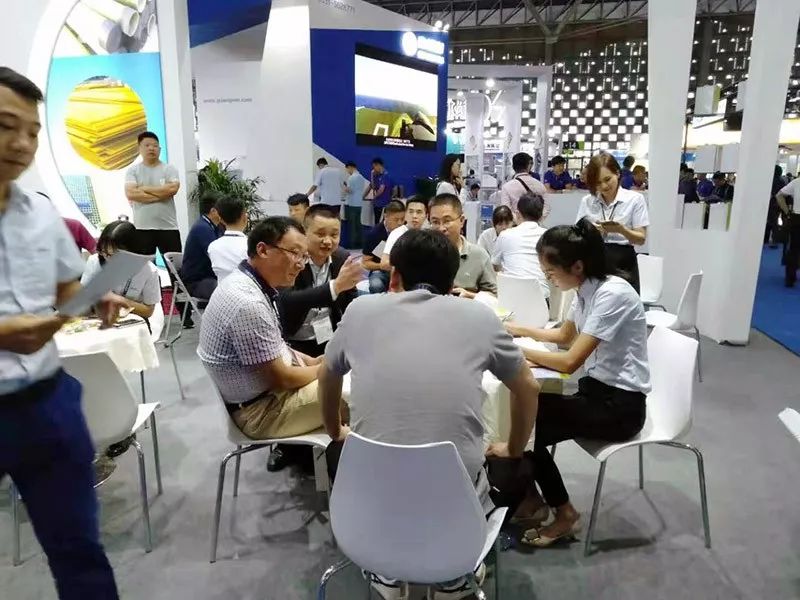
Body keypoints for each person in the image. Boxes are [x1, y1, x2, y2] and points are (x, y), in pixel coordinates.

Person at [318, 228, 539, 600]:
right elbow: (528, 387)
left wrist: (335, 429)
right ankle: (452, 575)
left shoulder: (359, 311)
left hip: (370, 504)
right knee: (515, 464)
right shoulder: (479, 317)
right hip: (453, 504)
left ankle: (387, 568)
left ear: (394, 276)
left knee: (339, 450)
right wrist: (513, 448)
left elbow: (327, 376)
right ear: (452, 282)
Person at [0, 66, 121, 599]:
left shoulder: (40, 214)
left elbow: (65, 285)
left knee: (79, 549)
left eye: (32, 131)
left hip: (48, 402)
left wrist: (94, 296)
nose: (21, 144)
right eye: (6, 126)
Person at [505, 219, 650, 548]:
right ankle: (533, 499)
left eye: (550, 272)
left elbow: (570, 361)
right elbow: (564, 335)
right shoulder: (586, 289)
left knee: (529, 424)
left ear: (577, 266)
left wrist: (514, 351)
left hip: (620, 408)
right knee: (524, 417)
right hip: (595, 393)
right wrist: (518, 330)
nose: (549, 279)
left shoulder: (612, 294)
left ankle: (561, 511)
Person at [198, 217, 337, 440]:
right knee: (357, 393)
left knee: (347, 380)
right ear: (262, 250)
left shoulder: (248, 282)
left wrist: (312, 362)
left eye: (304, 256)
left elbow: (276, 346)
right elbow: (284, 379)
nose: (301, 265)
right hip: (261, 411)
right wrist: (327, 369)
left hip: (267, 396)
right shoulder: (247, 303)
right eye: (295, 253)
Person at [278, 205, 361, 358]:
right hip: (293, 339)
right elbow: (286, 300)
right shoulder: (291, 257)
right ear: (304, 232)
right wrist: (334, 287)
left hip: (328, 337)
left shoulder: (341, 258)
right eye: (320, 234)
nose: (328, 241)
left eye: (334, 235)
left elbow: (349, 297)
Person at [576, 152, 649, 293]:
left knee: (624, 303)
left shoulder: (635, 199)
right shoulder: (587, 201)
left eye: (607, 179)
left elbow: (641, 239)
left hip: (623, 262)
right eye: (598, 183)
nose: (604, 186)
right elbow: (577, 236)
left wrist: (621, 230)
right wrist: (591, 232)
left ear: (617, 173)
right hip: (593, 260)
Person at [82, 221, 161, 321]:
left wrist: (118, 300)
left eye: (114, 255)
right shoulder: (95, 261)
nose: (108, 259)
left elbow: (148, 311)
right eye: (104, 252)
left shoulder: (148, 270)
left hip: (134, 320)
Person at [124, 131, 182, 257]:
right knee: (145, 266)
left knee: (176, 266)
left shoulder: (169, 169)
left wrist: (144, 188)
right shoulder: (133, 170)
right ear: (139, 148)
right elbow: (131, 193)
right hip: (142, 228)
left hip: (168, 227)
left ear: (159, 149)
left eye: (155, 146)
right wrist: (162, 194)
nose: (151, 148)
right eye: (147, 145)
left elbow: (172, 189)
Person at [429, 193, 497, 298]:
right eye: (435, 222)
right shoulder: (424, 253)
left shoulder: (479, 255)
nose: (441, 228)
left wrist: (470, 295)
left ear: (461, 221)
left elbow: (494, 296)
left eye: (447, 221)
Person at [491, 193, 549, 300]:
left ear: (517, 214)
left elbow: (494, 265)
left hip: (511, 297)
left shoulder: (505, 235)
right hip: (541, 297)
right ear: (541, 216)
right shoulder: (547, 236)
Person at [180, 190, 222, 317]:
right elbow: (216, 257)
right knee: (225, 290)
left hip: (208, 277)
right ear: (213, 211)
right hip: (197, 282)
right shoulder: (202, 228)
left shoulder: (214, 227)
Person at [361, 199, 406, 294]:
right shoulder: (374, 234)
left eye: (402, 219)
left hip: (403, 271)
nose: (400, 223)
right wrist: (382, 266)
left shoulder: (406, 230)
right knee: (376, 285)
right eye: (396, 219)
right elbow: (365, 263)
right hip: (380, 271)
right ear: (386, 216)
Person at [378, 196, 428, 277]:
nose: (414, 216)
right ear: (406, 214)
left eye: (419, 212)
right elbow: (384, 263)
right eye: (411, 212)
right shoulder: (397, 234)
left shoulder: (429, 234)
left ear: (426, 215)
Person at [208, 195, 248, 281]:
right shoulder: (251, 246)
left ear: (221, 219)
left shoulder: (212, 247)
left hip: (221, 288)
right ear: (244, 217)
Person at [500, 152, 548, 222]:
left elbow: (506, 209)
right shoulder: (540, 185)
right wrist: (536, 220)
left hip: (515, 225)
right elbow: (546, 207)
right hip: (535, 225)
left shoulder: (506, 187)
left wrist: (519, 221)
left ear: (513, 167)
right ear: (528, 166)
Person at [776, 174, 800, 287]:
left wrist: (787, 212)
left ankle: (790, 278)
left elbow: (779, 196)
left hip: (797, 218)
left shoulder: (797, 182)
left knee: (794, 249)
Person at [343, 161, 367, 247]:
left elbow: (350, 190)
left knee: (352, 226)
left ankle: (352, 244)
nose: (347, 171)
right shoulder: (361, 177)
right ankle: (360, 243)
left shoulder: (351, 178)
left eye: (347, 169)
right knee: (358, 224)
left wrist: (344, 187)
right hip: (359, 203)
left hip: (351, 204)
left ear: (350, 167)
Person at [364, 157, 391, 224]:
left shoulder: (385, 175)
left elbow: (381, 189)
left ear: (378, 165)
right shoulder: (377, 175)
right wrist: (372, 175)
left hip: (384, 203)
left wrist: (374, 197)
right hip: (377, 203)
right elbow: (373, 186)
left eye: (374, 167)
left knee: (382, 222)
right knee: (376, 221)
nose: (374, 169)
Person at [766, 165, 784, 247]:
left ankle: (766, 239)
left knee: (770, 222)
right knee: (774, 223)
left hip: (771, 203)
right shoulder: (782, 181)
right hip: (778, 204)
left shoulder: (771, 180)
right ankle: (774, 240)